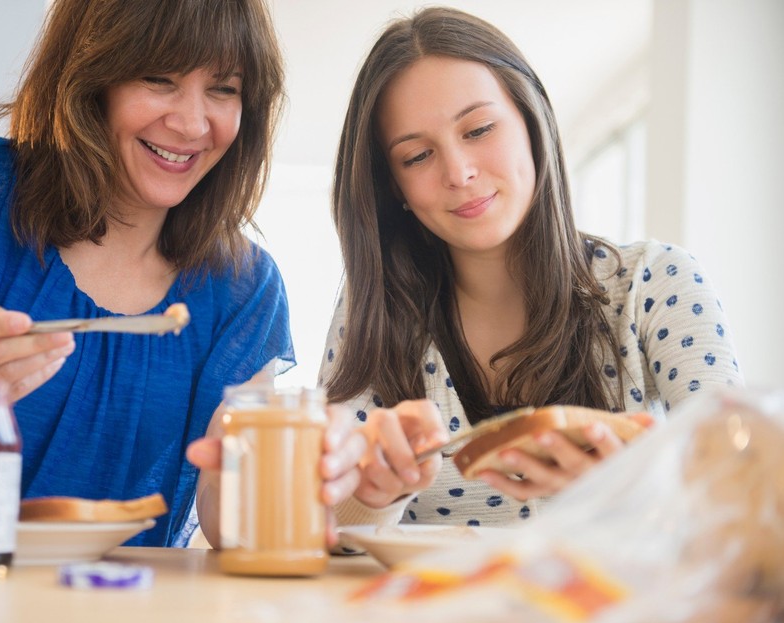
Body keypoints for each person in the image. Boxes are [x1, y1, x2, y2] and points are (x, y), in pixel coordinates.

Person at [0, 0, 362, 548]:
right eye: (159, 78)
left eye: (224, 89)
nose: (192, 123)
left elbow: (230, 512)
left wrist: (316, 476)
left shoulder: (244, 288)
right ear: (92, 77)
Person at [319, 6, 744, 532]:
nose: (459, 172)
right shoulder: (376, 310)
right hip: (429, 612)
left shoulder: (655, 283)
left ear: (532, 122)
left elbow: (747, 495)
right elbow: (326, 527)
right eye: (416, 156)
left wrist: (639, 488)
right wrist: (372, 498)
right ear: (394, 189)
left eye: (478, 129)